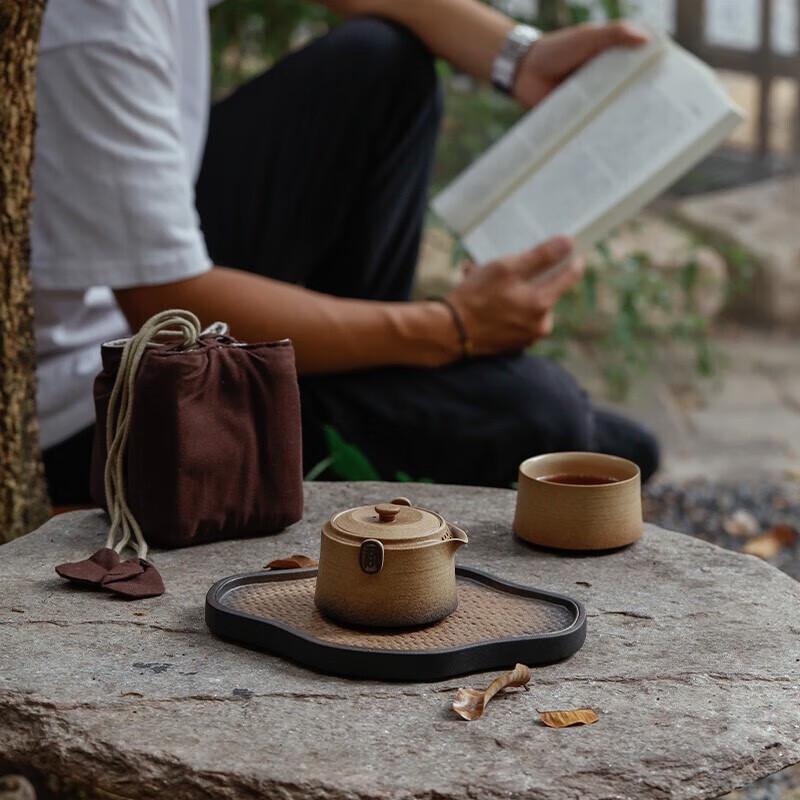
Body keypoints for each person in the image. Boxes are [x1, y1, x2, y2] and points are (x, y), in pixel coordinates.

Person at [33, 0, 659, 505]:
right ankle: (375, 421)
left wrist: (518, 57)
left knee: (381, 65)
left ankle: (372, 391)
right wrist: (453, 328)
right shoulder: (96, 27)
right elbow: (165, 307)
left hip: (145, 304)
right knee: (544, 418)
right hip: (102, 407)